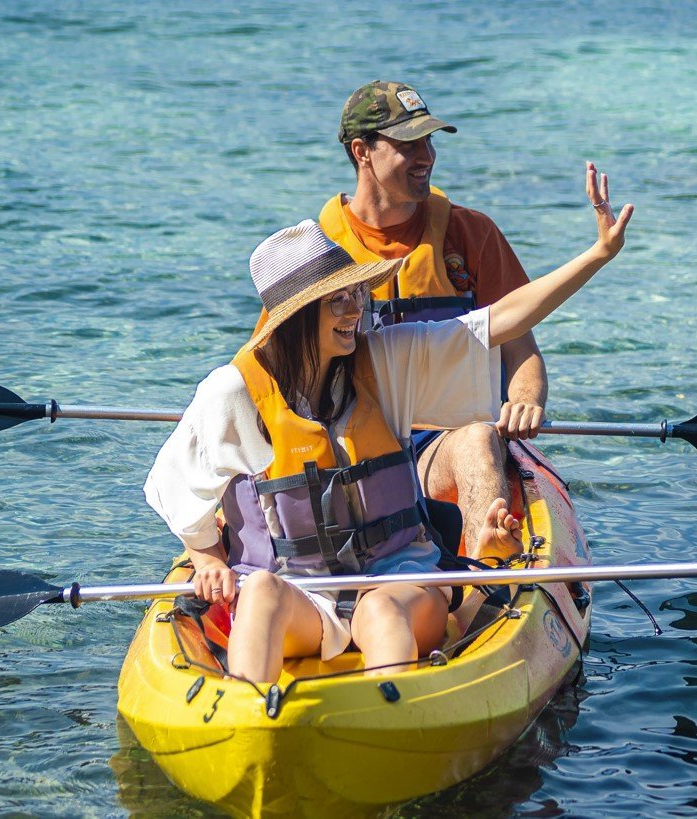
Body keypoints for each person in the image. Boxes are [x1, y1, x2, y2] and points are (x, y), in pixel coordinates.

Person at [145, 167, 631, 684]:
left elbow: (500, 321)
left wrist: (597, 254)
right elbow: (175, 487)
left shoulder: (386, 363)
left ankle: (393, 716)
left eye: (356, 294)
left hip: (400, 580)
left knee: (379, 611)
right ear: (295, 319)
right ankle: (246, 726)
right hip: (302, 592)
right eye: (338, 299)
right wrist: (206, 558)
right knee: (260, 590)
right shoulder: (233, 391)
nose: (355, 309)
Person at [323, 80, 552, 562]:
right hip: (350, 450)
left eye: (429, 140)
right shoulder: (315, 252)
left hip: (439, 445)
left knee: (476, 438)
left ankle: (486, 578)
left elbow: (520, 348)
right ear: (362, 151)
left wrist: (525, 399)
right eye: (408, 144)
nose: (426, 155)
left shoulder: (471, 233)